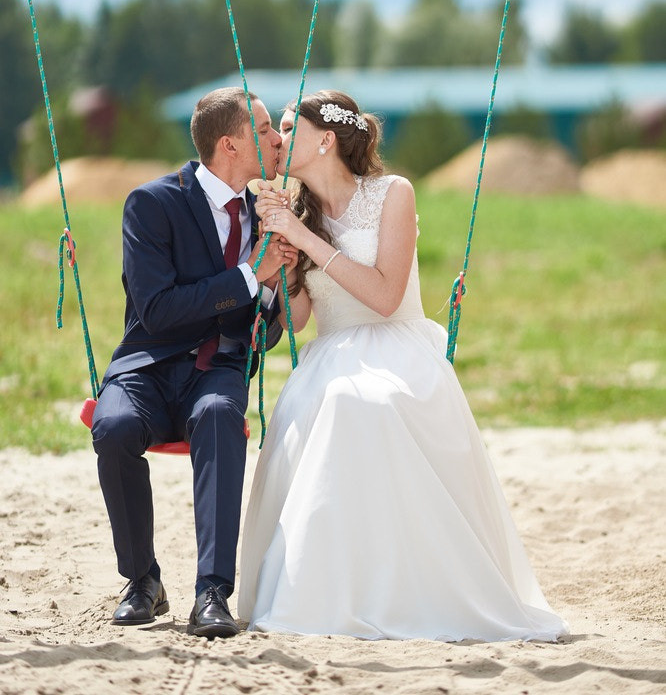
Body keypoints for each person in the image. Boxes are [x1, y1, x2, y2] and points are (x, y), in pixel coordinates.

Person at [238, 90, 569, 642]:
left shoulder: (393, 193)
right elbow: (297, 321)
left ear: (326, 140)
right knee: (328, 403)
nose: (279, 138)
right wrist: (280, 263)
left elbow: (386, 297)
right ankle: (329, 590)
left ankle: (407, 589)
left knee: (364, 402)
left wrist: (304, 241)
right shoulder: (293, 212)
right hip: (330, 353)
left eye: (291, 127)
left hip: (396, 345)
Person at [92, 87, 297, 640]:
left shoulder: (264, 216)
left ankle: (212, 593)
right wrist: (250, 275)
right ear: (230, 145)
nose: (277, 140)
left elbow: (263, 334)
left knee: (220, 416)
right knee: (113, 428)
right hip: (146, 367)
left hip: (217, 371)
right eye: (264, 130)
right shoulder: (152, 204)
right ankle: (143, 580)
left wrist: (272, 286)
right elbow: (157, 311)